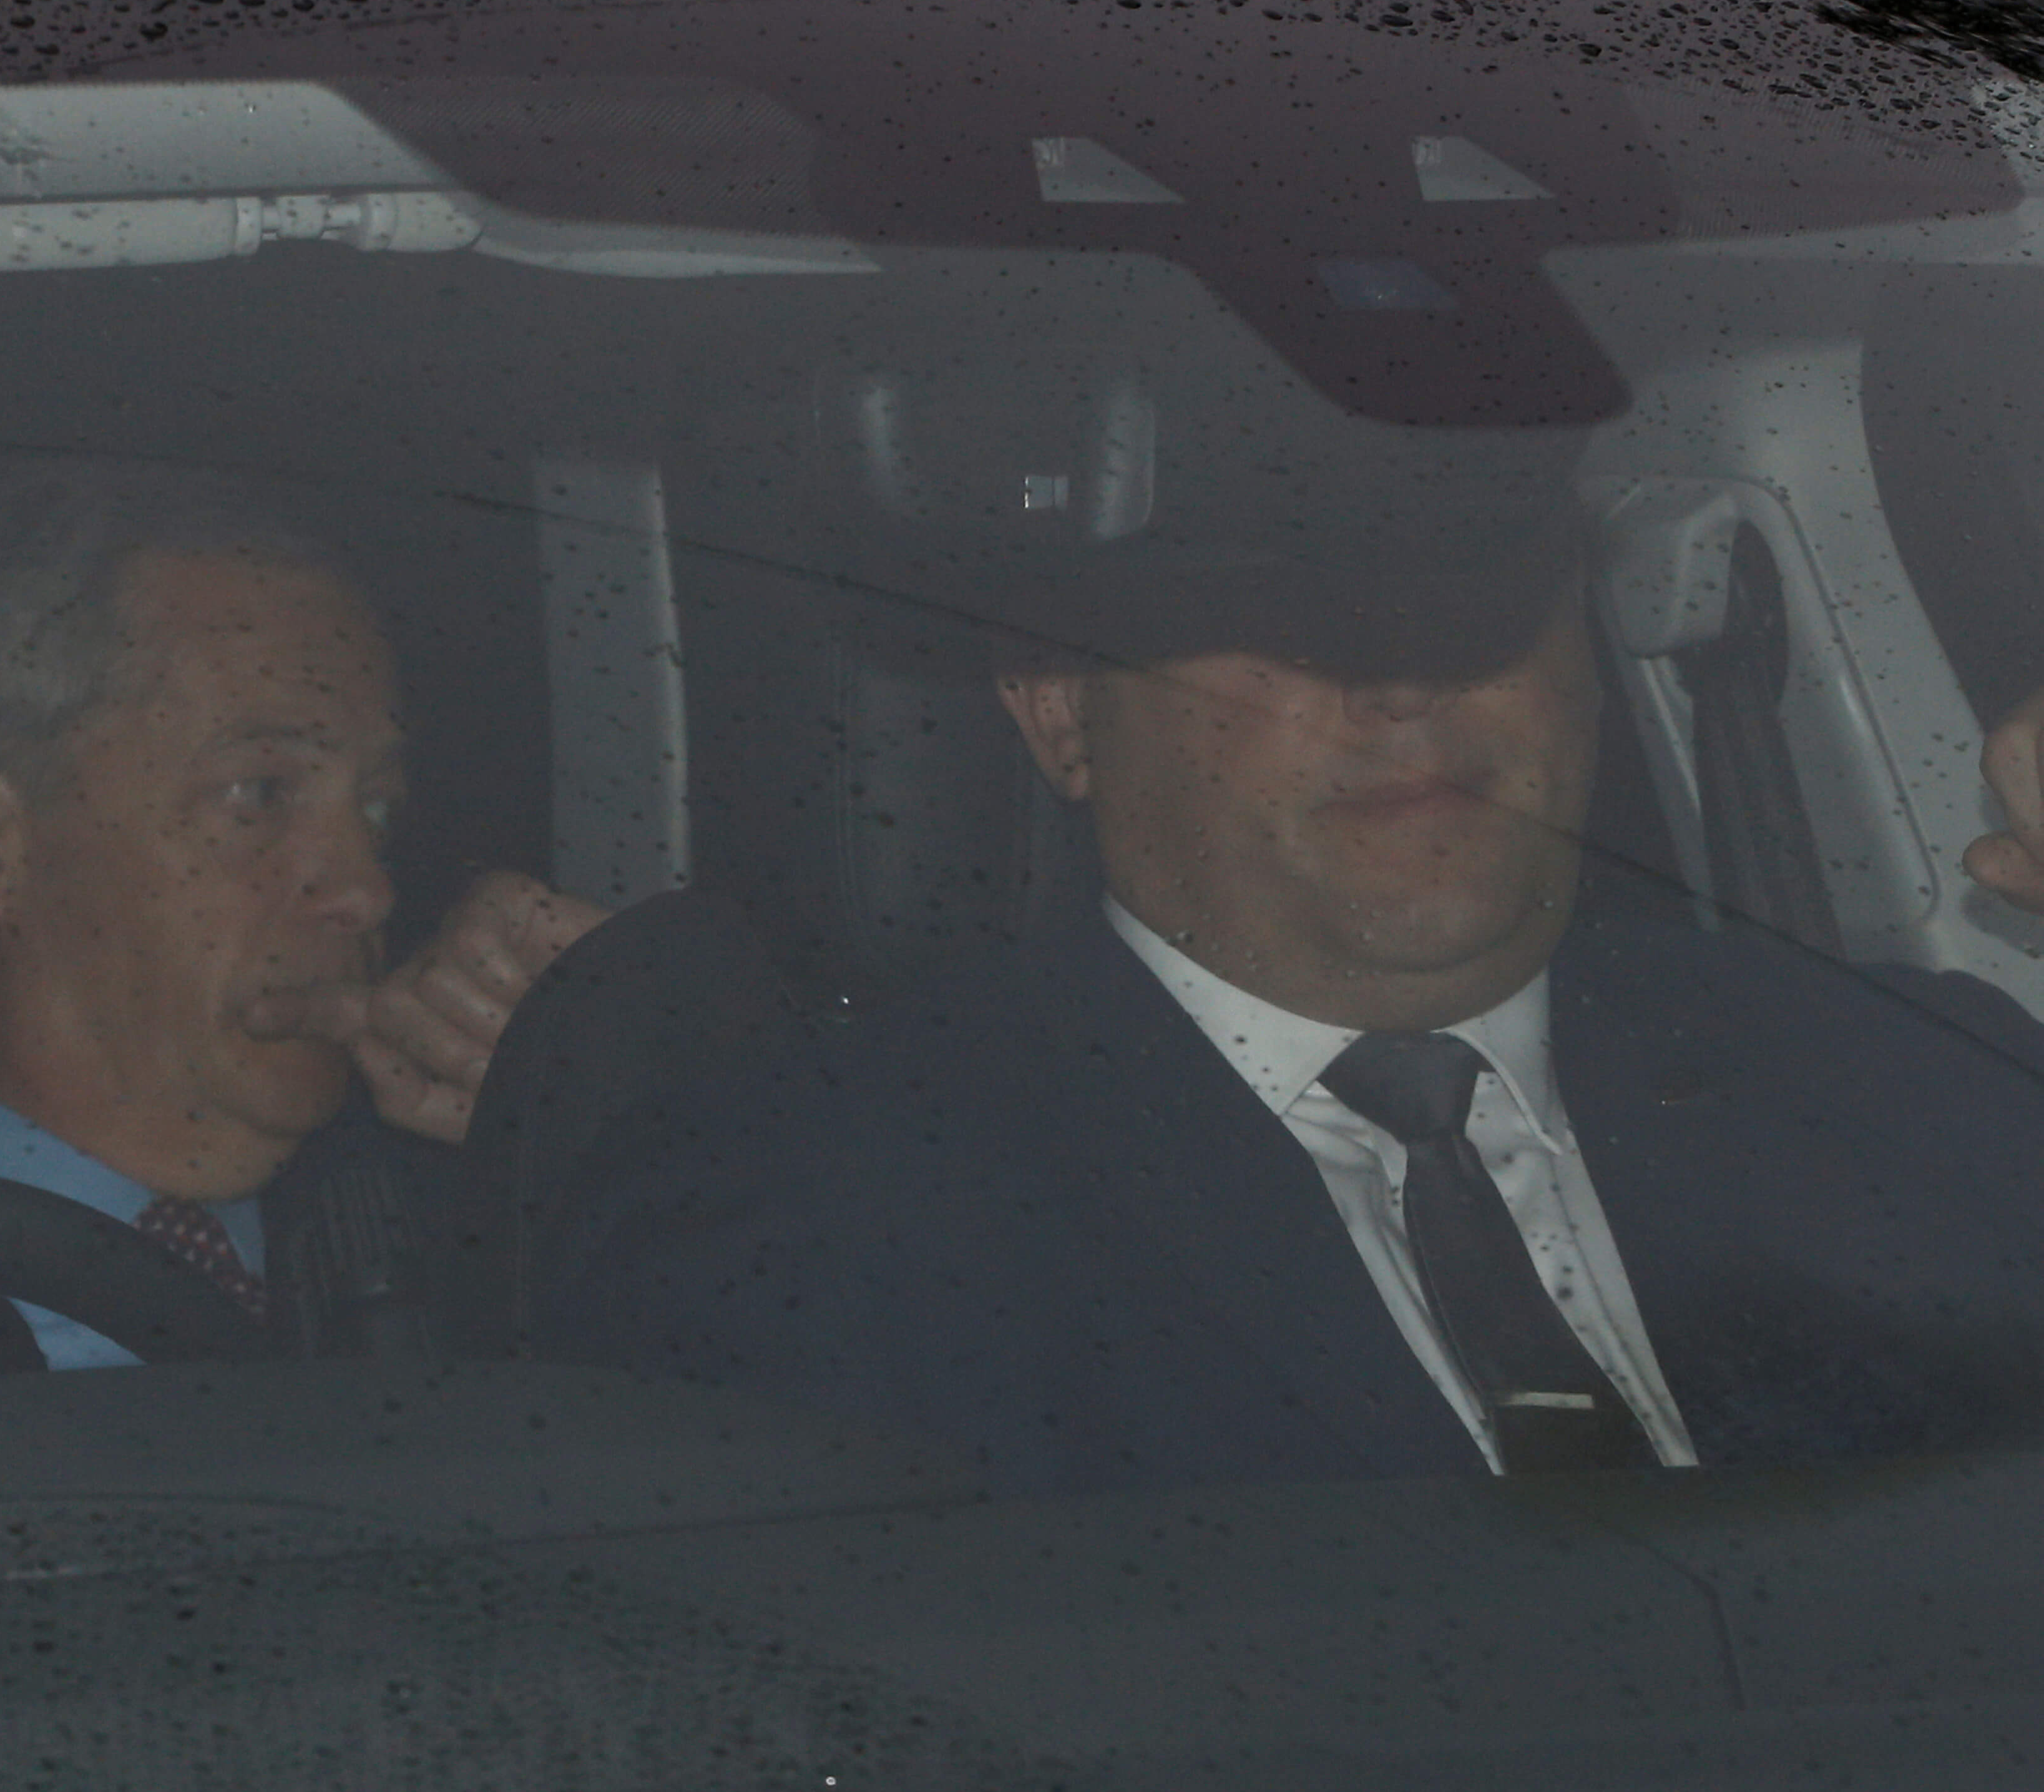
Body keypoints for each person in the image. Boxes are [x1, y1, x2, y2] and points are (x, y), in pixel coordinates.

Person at [544, 511, 2044, 1492]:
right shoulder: (815, 1213)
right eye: (1277, 607)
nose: (1402, 685)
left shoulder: (1920, 1081)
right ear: (1060, 710)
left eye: (1473, 592)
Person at [0, 466, 600, 1366]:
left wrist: (630, 1103)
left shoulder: (502, 1238)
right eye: (259, 794)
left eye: (378, 809)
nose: (368, 890)